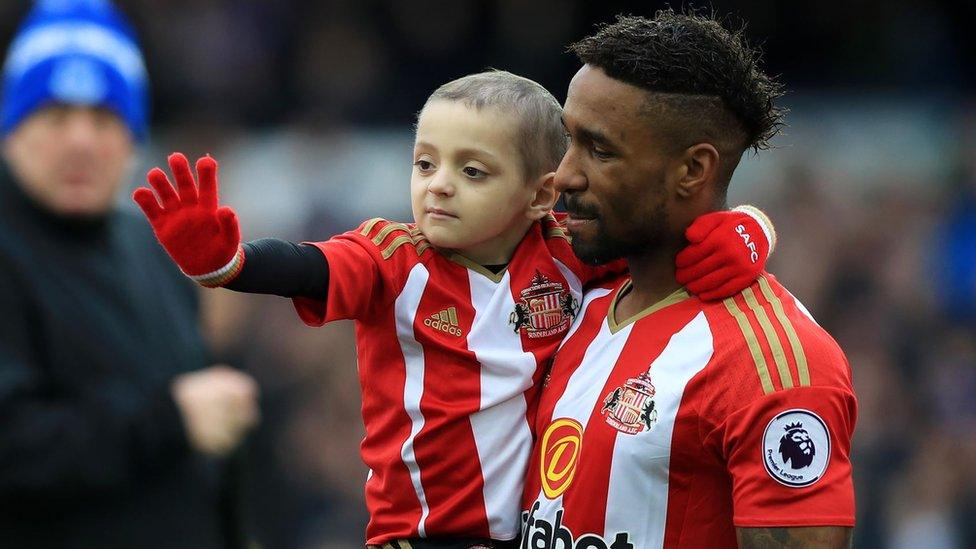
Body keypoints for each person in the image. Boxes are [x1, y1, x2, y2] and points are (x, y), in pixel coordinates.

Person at [133, 70, 774, 548]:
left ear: (539, 194)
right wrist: (230, 263)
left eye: (473, 171)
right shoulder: (391, 257)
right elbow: (310, 265)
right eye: (425, 162)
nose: (438, 184)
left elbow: (669, 235)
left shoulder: (568, 252)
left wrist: (750, 228)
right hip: (419, 538)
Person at [519, 10, 857, 549]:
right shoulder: (572, 294)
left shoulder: (771, 362)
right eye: (569, 140)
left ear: (694, 170)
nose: (565, 173)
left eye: (601, 150)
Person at [0, 1, 259, 547]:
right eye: (54, 115)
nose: (81, 140)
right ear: (10, 132)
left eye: (102, 117)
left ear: (131, 136)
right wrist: (170, 421)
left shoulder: (149, 246)